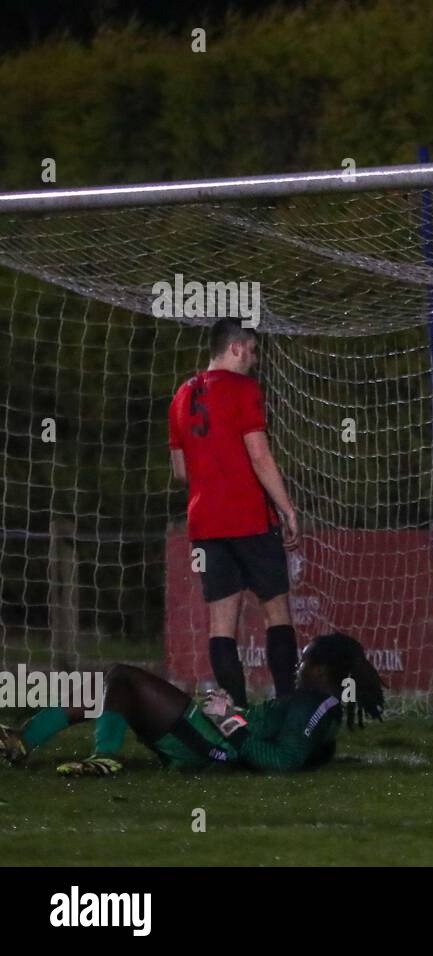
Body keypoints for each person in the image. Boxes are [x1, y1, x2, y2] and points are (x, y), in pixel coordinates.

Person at [0, 632, 383, 775]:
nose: (298, 666)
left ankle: (104, 757)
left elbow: (282, 761)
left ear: (320, 669)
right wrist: (233, 714)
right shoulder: (321, 705)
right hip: (212, 738)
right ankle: (24, 738)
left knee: (122, 677)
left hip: (211, 745)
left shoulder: (317, 704)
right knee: (113, 688)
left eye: (305, 660)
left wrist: (230, 721)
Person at [168, 317, 301, 705]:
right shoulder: (243, 388)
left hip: (205, 524)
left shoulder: (181, 394)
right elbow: (258, 454)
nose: (255, 360)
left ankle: (238, 715)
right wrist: (287, 507)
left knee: (221, 625)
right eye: (253, 351)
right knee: (277, 609)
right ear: (236, 348)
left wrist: (211, 464)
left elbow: (179, 471)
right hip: (249, 518)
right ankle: (286, 706)